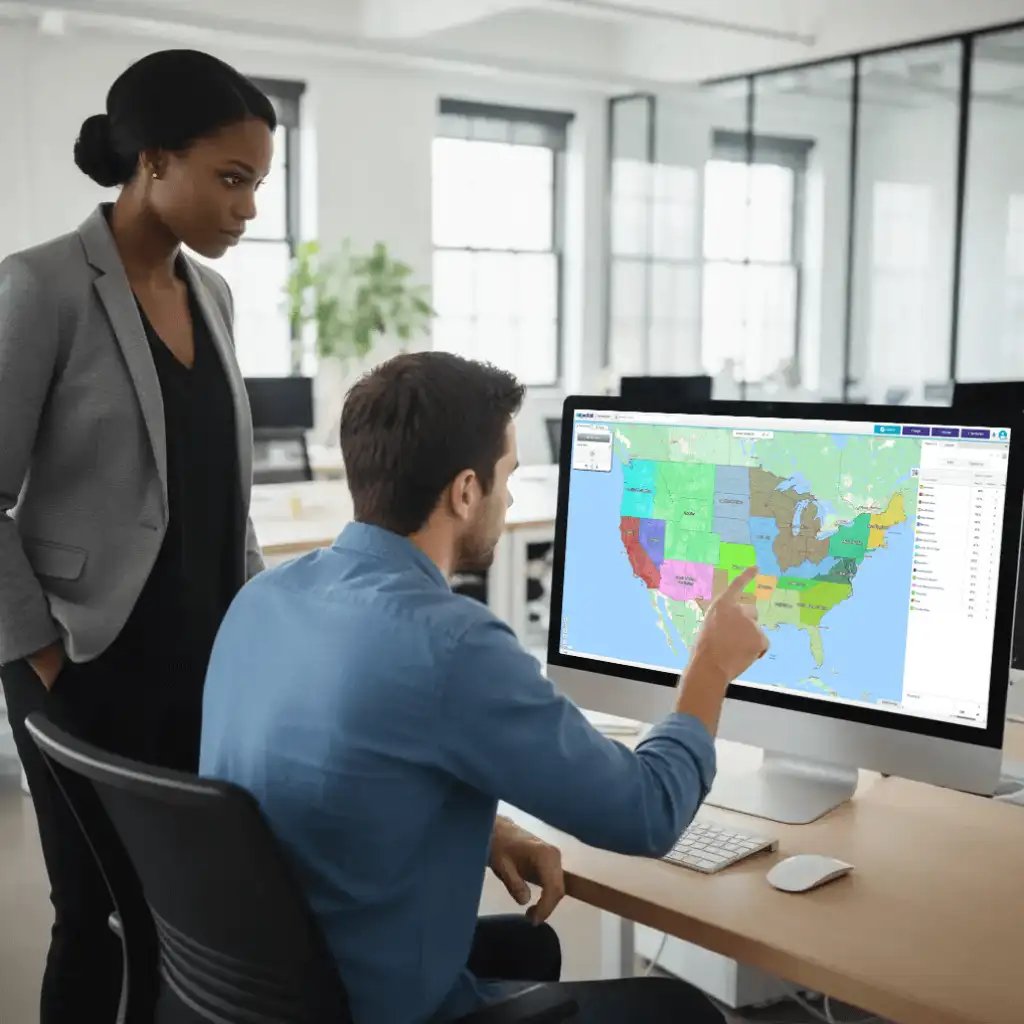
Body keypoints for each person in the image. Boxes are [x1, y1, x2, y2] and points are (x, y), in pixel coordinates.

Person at [200, 352, 769, 1024]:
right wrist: (708, 667)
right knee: (680, 1010)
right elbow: (648, 814)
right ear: (464, 491)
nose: (509, 500)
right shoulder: (450, 643)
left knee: (532, 949)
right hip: (374, 1006)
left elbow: (316, 779)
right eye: (507, 479)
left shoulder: (261, 599)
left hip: (270, 988)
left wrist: (479, 823)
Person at [0, 50, 272, 1023]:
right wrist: (42, 658)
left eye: (257, 185)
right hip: (81, 661)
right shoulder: (40, 287)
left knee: (189, 914)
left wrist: (262, 636)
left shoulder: (218, 298)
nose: (246, 208)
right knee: (91, 911)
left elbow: (220, 495)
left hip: (205, 667)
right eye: (230, 179)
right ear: (154, 162)